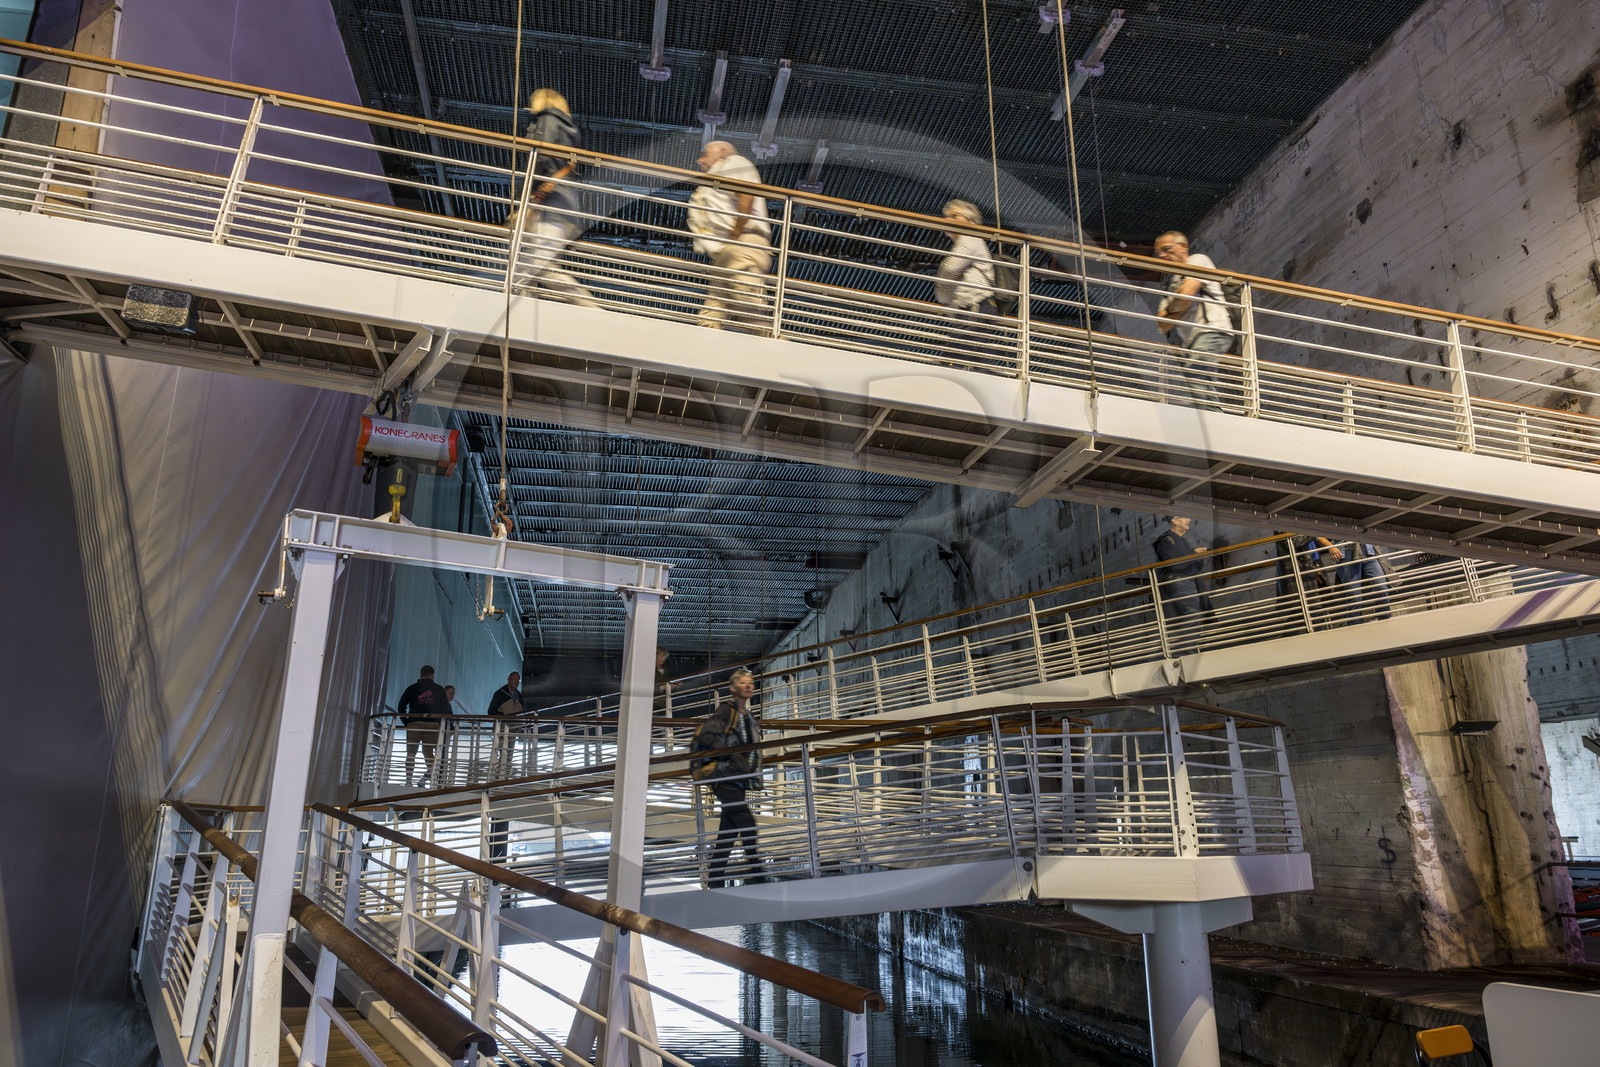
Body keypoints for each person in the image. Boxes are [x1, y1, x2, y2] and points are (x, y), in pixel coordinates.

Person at [508, 88, 598, 308]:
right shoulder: (567, 127)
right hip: (562, 204)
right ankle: (526, 307)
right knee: (531, 264)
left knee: (536, 265)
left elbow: (541, 156)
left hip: (549, 205)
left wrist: (531, 196)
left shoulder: (547, 119)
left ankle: (592, 311)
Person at [690, 669, 768, 888]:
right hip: (723, 776)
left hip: (737, 778)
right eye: (743, 682)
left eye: (751, 682)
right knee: (747, 821)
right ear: (733, 688)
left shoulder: (748, 717)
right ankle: (757, 874)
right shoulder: (726, 710)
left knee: (730, 828)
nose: (748, 685)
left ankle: (714, 880)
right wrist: (732, 755)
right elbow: (707, 736)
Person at [687, 140, 772, 332]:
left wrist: (735, 234)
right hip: (725, 251)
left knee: (748, 303)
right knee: (712, 312)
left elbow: (745, 195)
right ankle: (704, 347)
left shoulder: (734, 162)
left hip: (742, 242)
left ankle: (772, 348)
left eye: (705, 154)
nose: (700, 160)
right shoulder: (710, 182)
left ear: (723, 152)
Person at [1153, 230, 1233, 410]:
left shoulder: (1197, 260)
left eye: (1166, 249)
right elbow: (1162, 324)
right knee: (1199, 378)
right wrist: (1180, 303)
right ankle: (1215, 415)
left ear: (1182, 246)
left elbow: (1186, 294)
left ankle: (1213, 418)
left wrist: (1174, 307)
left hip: (1213, 329)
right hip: (1192, 341)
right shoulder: (1172, 285)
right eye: (1160, 254)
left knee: (1195, 370)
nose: (1163, 256)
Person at [396, 665, 450, 787]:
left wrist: (407, 722)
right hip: (432, 725)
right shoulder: (439, 689)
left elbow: (401, 707)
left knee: (411, 754)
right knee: (429, 753)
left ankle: (408, 781)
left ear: (420, 674)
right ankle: (432, 780)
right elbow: (445, 709)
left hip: (414, 724)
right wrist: (438, 722)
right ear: (432, 675)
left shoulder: (411, 688)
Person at [1152, 516, 1210, 621]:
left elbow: (1188, 565)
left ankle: (1190, 636)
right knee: (1192, 616)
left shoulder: (1181, 540)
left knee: (1194, 616)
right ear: (1174, 520)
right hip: (1179, 582)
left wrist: (1198, 558)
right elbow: (1173, 564)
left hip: (1187, 582)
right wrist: (1194, 554)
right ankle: (1189, 637)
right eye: (1185, 518)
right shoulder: (1166, 539)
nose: (1189, 520)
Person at [1337, 542, 1392, 623]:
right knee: (1354, 596)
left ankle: (1384, 620)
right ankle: (1355, 627)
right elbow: (1318, 537)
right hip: (1346, 552)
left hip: (1368, 549)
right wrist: (1331, 547)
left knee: (1381, 587)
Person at [487, 671, 525, 780]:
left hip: (513, 730)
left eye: (518, 680)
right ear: (509, 679)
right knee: (503, 752)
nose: (517, 682)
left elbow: (522, 713)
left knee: (509, 754)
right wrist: (504, 716)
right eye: (515, 679)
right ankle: (499, 777)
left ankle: (503, 776)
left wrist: (521, 727)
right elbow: (491, 711)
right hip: (502, 728)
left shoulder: (519, 696)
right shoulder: (499, 694)